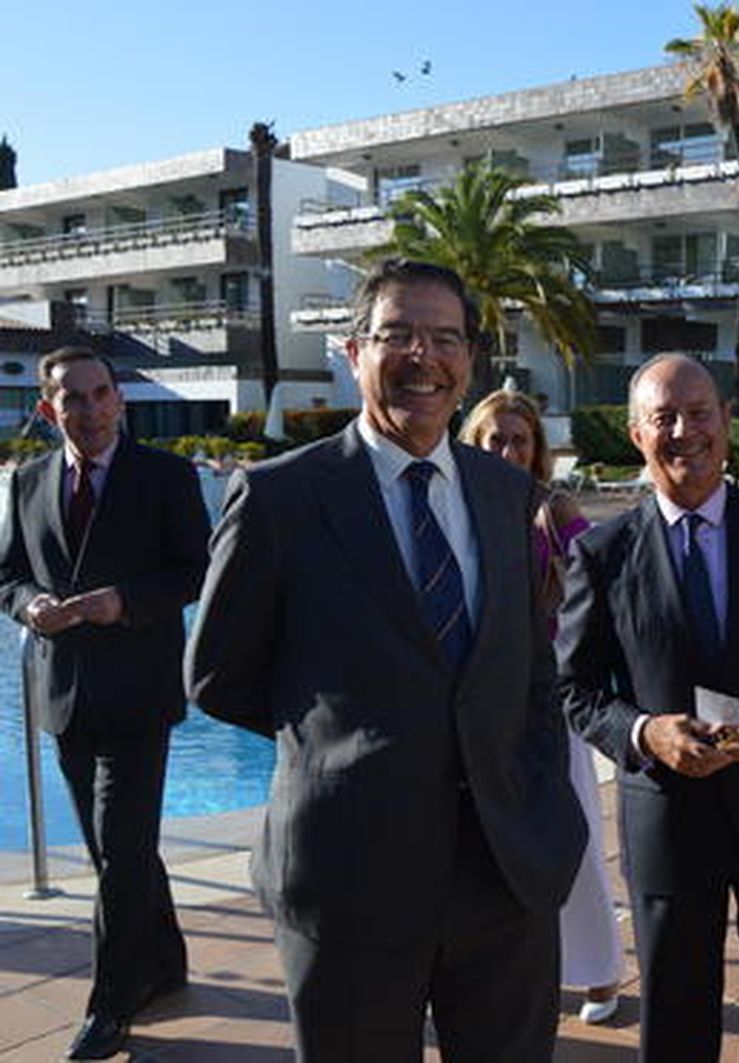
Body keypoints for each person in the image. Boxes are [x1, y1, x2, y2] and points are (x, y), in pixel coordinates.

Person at [186, 259, 585, 1061]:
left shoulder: (508, 495)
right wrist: (345, 741)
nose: (422, 356)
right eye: (397, 334)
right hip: (348, 877)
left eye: (443, 337)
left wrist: (542, 801)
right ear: (352, 349)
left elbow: (530, 667)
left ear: (470, 359)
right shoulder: (279, 497)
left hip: (504, 873)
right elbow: (217, 674)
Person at [557, 353, 739, 1062]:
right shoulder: (601, 553)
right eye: (665, 417)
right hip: (669, 815)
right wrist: (646, 731)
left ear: (727, 419)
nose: (686, 430)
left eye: (700, 412)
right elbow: (572, 687)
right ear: (636, 433)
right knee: (677, 1015)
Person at [0, 348, 209, 1060]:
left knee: (119, 852)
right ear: (49, 406)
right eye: (73, 399)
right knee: (108, 846)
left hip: (140, 693)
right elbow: (8, 577)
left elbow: (195, 568)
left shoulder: (165, 475)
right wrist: (32, 610)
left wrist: (125, 602)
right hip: (64, 694)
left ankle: (110, 1003)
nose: (88, 411)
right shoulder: (27, 481)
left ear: (120, 400)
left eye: (99, 395)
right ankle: (167, 956)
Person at [458, 388, 622, 1025]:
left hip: (549, 701)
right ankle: (518, 971)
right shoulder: (454, 505)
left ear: (536, 450)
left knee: (571, 833)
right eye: (494, 439)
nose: (506, 449)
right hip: (475, 704)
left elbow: (598, 590)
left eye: (518, 439)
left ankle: (599, 971)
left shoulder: (551, 511)